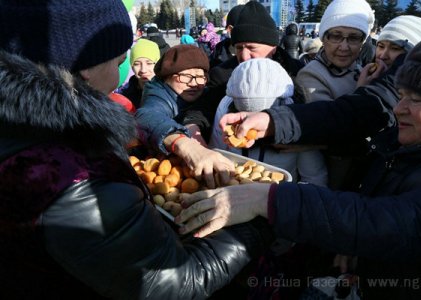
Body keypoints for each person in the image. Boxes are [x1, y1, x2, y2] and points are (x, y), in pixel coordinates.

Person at [0, 0, 273, 298]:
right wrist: (262, 214)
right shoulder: (75, 176)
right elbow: (174, 282)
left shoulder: (29, 129)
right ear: (86, 68)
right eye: (119, 63)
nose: (121, 76)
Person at [177, 32, 421, 299]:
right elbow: (359, 110)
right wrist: (274, 122)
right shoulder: (406, 143)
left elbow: (387, 221)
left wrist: (269, 199)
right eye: (402, 95)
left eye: (416, 100)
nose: (399, 108)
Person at [178, 1, 303, 142]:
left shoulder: (296, 72)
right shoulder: (222, 75)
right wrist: (193, 129)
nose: (244, 56)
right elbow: (201, 110)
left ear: (273, 47)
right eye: (239, 48)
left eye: (251, 48)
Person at [295, 0, 375, 189]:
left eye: (353, 38)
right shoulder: (312, 74)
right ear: (323, 38)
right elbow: (330, 129)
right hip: (333, 174)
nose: (344, 47)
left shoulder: (361, 69)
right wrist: (362, 92)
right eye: (336, 36)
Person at [135, 45, 235, 188]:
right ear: (166, 77)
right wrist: (188, 146)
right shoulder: (158, 95)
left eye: (200, 77)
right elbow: (146, 116)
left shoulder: (205, 93)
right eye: (186, 76)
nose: (194, 83)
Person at [210, 58, 316, 183]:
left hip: (282, 191)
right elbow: (218, 149)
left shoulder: (295, 116)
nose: (251, 121)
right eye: (244, 111)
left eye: (263, 112)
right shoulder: (225, 106)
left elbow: (313, 174)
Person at [117, 38, 160, 109]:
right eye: (137, 64)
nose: (143, 70)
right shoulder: (124, 96)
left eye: (149, 63)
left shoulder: (167, 93)